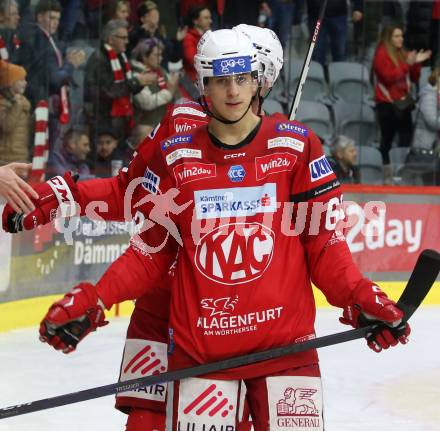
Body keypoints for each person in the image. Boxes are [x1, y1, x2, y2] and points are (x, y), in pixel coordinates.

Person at [5, 28, 408, 431]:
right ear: (204, 80)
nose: (235, 90)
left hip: (272, 337)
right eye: (220, 79)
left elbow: (323, 243)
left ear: (259, 80)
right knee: (146, 422)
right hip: (176, 317)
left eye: (249, 77)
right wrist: (64, 202)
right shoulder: (179, 135)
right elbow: (133, 203)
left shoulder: (292, 145)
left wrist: (357, 295)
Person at [373, 25, 431, 184]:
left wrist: (416, 63)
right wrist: (408, 64)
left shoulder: (402, 53)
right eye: (397, 36)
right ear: (388, 38)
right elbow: (388, 77)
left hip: (403, 104)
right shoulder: (381, 54)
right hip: (387, 105)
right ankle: (387, 176)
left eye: (401, 36)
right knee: (387, 141)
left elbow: (413, 77)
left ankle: (403, 175)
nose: (401, 39)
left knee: (406, 140)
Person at [83, 19, 152, 142]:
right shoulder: (99, 59)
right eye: (123, 38)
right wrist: (136, 82)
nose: (127, 42)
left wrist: (141, 82)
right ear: (110, 39)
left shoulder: (121, 57)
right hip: (104, 121)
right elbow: (108, 91)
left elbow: (125, 89)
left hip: (121, 119)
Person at [131, 37, 179, 127]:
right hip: (146, 126)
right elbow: (146, 103)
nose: (160, 58)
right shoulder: (136, 75)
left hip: (163, 123)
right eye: (157, 55)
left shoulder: (161, 71)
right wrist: (169, 92)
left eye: (161, 55)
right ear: (144, 56)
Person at [407, 68, 440, 184]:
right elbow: (432, 121)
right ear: (437, 79)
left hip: (435, 148)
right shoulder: (429, 97)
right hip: (425, 147)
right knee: (428, 183)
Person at [0, 60, 31, 164]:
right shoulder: (2, 103)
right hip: (5, 159)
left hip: (22, 157)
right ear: (11, 83)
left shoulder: (24, 103)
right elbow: (7, 126)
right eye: (21, 80)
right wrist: (17, 106)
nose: (25, 83)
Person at [182, 5, 212, 82]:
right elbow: (193, 61)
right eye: (206, 18)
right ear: (195, 20)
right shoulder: (188, 37)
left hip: (207, 77)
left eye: (210, 18)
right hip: (194, 80)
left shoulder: (208, 36)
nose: (210, 21)